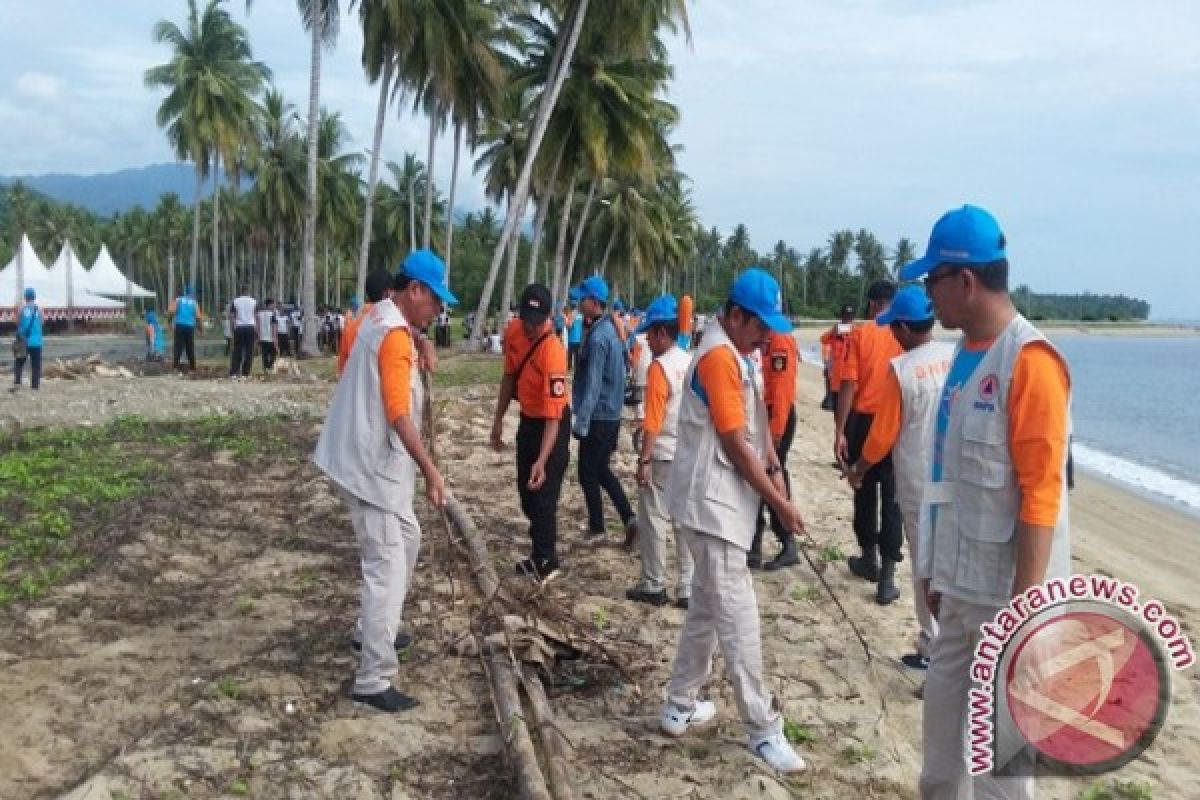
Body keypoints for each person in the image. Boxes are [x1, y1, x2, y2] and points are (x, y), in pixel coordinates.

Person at [900, 206, 1071, 799]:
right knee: (941, 758)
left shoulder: (1030, 362)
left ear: (965, 282)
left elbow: (1041, 496)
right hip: (958, 591)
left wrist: (1023, 613)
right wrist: (935, 574)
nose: (928, 298)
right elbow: (950, 479)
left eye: (933, 283)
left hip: (1006, 600)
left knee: (1001, 771)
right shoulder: (962, 355)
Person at [660, 267, 808, 774]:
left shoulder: (741, 355)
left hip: (720, 506)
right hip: (713, 507)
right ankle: (763, 730)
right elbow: (732, 443)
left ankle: (680, 704)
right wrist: (780, 505)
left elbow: (758, 433)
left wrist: (777, 469)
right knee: (739, 618)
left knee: (705, 607)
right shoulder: (720, 358)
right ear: (736, 315)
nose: (767, 334)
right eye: (759, 324)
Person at [313, 248, 455, 714]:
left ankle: (370, 629)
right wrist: (431, 468)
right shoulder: (391, 334)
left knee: (408, 538)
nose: (438, 311)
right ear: (414, 290)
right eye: (435, 302)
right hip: (368, 465)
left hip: (369, 460)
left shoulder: (382, 318)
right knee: (387, 561)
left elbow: (403, 339)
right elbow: (398, 412)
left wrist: (422, 341)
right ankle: (373, 678)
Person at [842, 285, 952, 669]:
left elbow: (882, 436)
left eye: (894, 328)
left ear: (904, 327)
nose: (891, 334)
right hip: (953, 483)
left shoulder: (903, 370)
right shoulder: (956, 358)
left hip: (919, 484)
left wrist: (858, 469)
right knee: (947, 566)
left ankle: (934, 648)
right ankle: (944, 644)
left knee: (925, 568)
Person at [489, 284, 571, 581]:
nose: (531, 327)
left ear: (548, 318)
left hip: (554, 424)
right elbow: (509, 377)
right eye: (527, 320)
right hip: (528, 420)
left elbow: (554, 418)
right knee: (526, 492)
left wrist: (543, 459)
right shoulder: (513, 333)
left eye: (537, 322)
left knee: (544, 492)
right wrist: (498, 419)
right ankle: (539, 554)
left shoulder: (554, 353)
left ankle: (547, 561)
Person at [834, 281, 904, 603]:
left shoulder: (861, 334)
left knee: (862, 489)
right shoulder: (905, 334)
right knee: (893, 500)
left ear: (874, 304)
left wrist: (840, 429)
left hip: (863, 420)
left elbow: (848, 384)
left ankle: (869, 558)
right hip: (896, 422)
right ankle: (888, 577)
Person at [625, 295, 694, 608]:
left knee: (654, 518)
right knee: (683, 521)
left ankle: (653, 583)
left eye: (650, 333)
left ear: (662, 333)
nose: (648, 339)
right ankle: (687, 587)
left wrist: (644, 459)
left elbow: (653, 419)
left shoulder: (659, 368)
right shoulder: (688, 361)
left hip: (664, 450)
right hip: (687, 451)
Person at [571, 275, 637, 543]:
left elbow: (594, 383)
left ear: (593, 302)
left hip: (598, 415)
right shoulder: (611, 332)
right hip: (612, 413)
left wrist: (581, 421)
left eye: (581, 298)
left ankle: (598, 526)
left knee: (587, 471)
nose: (577, 302)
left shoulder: (599, 337)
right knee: (600, 469)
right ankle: (628, 517)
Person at [748, 326, 800, 570]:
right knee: (756, 478)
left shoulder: (780, 340)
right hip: (763, 416)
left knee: (770, 477)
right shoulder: (765, 338)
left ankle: (787, 541)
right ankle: (754, 544)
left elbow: (781, 389)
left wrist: (776, 430)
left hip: (776, 417)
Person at [820, 304, 856, 412]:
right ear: (841, 317)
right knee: (836, 410)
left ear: (853, 318)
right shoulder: (834, 331)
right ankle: (829, 400)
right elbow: (823, 340)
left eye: (849, 318)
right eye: (845, 317)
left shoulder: (857, 332)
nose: (847, 320)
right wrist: (833, 332)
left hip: (849, 377)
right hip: (835, 375)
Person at [11, 287, 43, 392]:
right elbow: (42, 322)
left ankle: (17, 383)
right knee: (35, 365)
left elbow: (17, 322)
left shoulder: (21, 309)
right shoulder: (39, 309)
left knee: (19, 362)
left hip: (23, 340)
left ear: (25, 297)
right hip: (36, 341)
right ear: (34, 297)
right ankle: (34, 387)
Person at [169, 284, 202, 372]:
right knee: (190, 347)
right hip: (189, 327)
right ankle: (192, 367)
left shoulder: (178, 300)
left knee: (178, 347)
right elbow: (198, 318)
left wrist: (169, 323)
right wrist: (201, 330)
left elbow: (171, 312)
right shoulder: (194, 303)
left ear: (185, 292)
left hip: (179, 325)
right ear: (192, 294)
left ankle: (175, 367)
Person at [229, 286, 258, 379]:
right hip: (250, 327)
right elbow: (256, 316)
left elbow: (232, 315)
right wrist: (257, 329)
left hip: (239, 327)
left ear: (241, 292)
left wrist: (233, 327)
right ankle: (245, 373)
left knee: (237, 350)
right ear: (248, 292)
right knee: (249, 351)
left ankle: (234, 372)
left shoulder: (235, 301)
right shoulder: (254, 301)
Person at [257, 299, 278, 374]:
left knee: (264, 354)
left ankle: (265, 368)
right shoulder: (272, 315)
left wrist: (258, 337)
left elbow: (257, 326)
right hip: (270, 338)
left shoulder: (259, 314)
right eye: (273, 304)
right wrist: (275, 339)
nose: (274, 306)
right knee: (274, 353)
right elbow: (274, 327)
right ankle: (269, 366)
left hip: (262, 338)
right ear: (270, 305)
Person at [566, 297, 584, 370]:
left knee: (570, 354)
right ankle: (577, 368)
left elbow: (569, 325)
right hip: (579, 337)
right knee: (577, 355)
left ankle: (569, 367)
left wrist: (567, 324)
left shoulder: (571, 314)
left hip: (571, 337)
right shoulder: (581, 315)